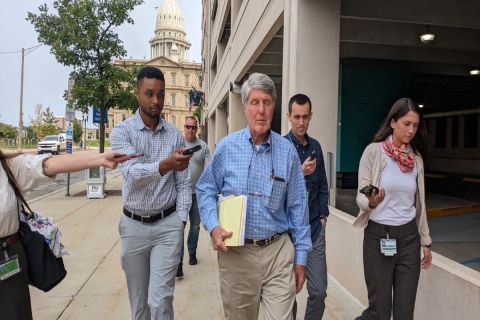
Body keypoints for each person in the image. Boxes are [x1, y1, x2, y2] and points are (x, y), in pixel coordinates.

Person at [196, 73, 311, 320]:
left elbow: (298, 208)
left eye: (267, 102)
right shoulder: (227, 147)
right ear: (245, 106)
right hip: (237, 254)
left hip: (278, 253)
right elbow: (205, 189)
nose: (261, 110)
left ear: (274, 107)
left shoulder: (287, 151)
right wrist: (214, 227)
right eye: (255, 102)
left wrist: (301, 259)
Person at [0, 149, 123, 320]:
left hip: (7, 258)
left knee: (14, 313)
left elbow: (48, 164)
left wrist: (100, 158)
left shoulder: (8, 166)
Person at [110, 66, 192, 320]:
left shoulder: (175, 134)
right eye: (149, 94)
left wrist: (180, 220)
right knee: (140, 305)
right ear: (137, 94)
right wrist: (166, 164)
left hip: (167, 226)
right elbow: (132, 174)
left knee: (160, 301)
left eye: (161, 94)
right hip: (134, 226)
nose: (156, 101)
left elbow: (184, 183)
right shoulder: (122, 132)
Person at [353, 98, 433, 320]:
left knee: (404, 314)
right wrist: (372, 202)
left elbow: (420, 203)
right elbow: (361, 193)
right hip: (378, 235)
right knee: (379, 312)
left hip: (409, 238)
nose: (411, 130)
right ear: (393, 122)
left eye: (415, 125)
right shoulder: (373, 152)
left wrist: (425, 241)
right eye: (407, 124)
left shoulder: (416, 160)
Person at [285, 93, 329, 319]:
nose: (301, 122)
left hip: (313, 229)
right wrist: (299, 173)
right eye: (296, 117)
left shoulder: (316, 147)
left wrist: (323, 216)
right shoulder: (282, 147)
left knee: (319, 291)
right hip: (287, 233)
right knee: (287, 292)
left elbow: (322, 185)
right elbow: (276, 189)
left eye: (305, 117)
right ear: (288, 117)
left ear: (310, 116)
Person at [176, 116, 210, 277]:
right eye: (187, 126)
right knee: (179, 228)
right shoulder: (177, 145)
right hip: (180, 195)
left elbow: (208, 169)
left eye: (193, 127)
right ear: (184, 127)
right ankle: (179, 262)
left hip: (197, 195)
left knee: (195, 227)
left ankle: (192, 252)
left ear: (197, 129)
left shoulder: (203, 147)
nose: (190, 130)